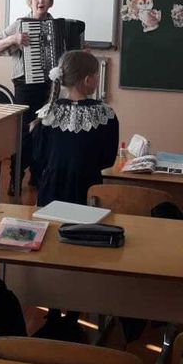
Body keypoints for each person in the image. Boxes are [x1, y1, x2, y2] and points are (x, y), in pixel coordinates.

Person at [29, 50, 118, 340]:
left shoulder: (46, 113)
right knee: (83, 249)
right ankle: (75, 313)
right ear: (89, 80)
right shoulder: (105, 115)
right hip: (87, 192)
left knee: (53, 249)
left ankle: (53, 312)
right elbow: (107, 159)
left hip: (51, 192)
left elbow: (38, 157)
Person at [0, 0, 63, 190]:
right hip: (25, 86)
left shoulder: (58, 27)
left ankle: (38, 176)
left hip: (50, 86)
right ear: (30, 1)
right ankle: (16, 177)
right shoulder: (20, 24)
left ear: (50, 3)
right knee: (24, 133)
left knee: (46, 130)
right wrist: (13, 39)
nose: (41, 1)